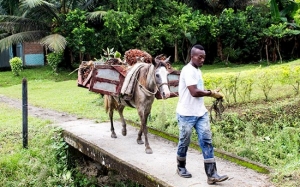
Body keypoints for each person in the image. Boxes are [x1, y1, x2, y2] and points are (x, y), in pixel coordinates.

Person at [175, 44, 228, 185]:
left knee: (206, 141)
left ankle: (212, 175)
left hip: (200, 112)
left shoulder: (197, 70)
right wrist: (211, 93)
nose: (202, 60)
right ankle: (180, 167)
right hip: (186, 113)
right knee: (184, 141)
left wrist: (210, 92)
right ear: (192, 56)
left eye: (204, 57)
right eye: (200, 57)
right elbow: (194, 92)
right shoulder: (187, 70)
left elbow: (199, 89)